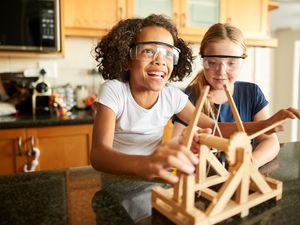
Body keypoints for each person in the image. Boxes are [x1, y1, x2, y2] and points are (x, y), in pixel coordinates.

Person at [91, 15, 299, 222]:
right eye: (148, 51)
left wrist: (265, 124)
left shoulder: (172, 96)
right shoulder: (114, 91)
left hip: (154, 181)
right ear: (126, 57)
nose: (160, 60)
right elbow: (99, 155)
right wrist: (147, 163)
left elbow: (217, 128)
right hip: (117, 183)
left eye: (168, 53)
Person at [172, 22, 288, 168]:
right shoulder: (188, 97)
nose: (221, 71)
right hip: (201, 180)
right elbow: (177, 144)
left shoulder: (251, 93)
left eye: (231, 63)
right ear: (203, 61)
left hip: (243, 178)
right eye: (213, 62)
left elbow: (270, 141)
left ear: (241, 62)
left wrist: (252, 163)